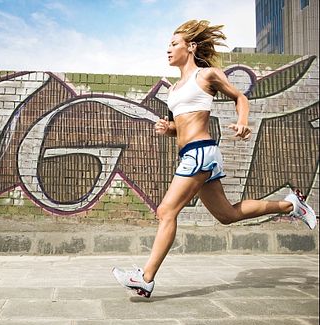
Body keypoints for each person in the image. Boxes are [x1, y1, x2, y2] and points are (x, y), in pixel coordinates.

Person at [112, 19, 317, 298]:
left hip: (201, 153)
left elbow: (240, 98)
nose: (168, 50)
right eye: (168, 45)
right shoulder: (173, 90)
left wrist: (243, 121)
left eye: (174, 44)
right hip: (192, 153)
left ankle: (145, 278)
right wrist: (168, 129)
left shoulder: (206, 76)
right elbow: (182, 128)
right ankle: (289, 205)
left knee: (166, 211)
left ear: (191, 46)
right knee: (227, 215)